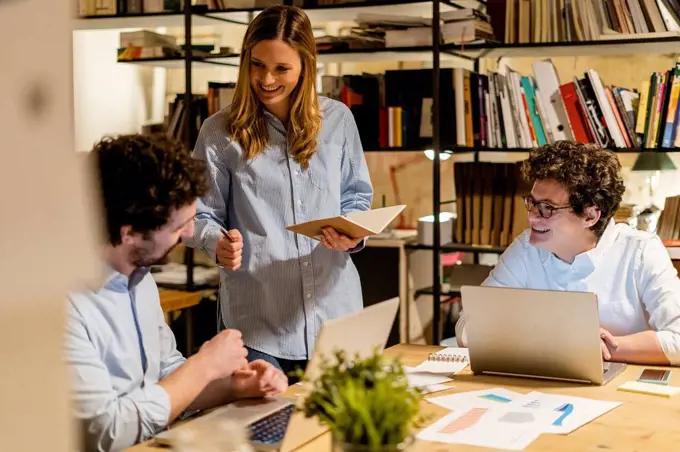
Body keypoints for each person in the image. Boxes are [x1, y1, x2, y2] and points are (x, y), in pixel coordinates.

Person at [65, 134, 288, 452]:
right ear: (129, 233)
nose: (188, 234)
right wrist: (205, 366)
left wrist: (233, 387)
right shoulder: (64, 305)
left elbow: (165, 373)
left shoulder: (139, 277)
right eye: (178, 226)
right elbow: (107, 431)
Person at [185, 5, 373, 377]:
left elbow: (356, 197)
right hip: (258, 328)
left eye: (281, 68)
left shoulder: (338, 121)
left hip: (335, 319)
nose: (267, 78)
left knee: (340, 432)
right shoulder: (218, 131)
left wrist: (351, 234)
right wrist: (215, 242)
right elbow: (196, 213)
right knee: (267, 435)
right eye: (257, 65)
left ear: (305, 66)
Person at [455, 141, 680, 366]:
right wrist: (554, 342)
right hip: (543, 386)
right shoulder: (525, 248)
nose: (532, 217)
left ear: (590, 215)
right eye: (532, 203)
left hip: (624, 388)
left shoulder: (640, 251)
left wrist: (602, 347)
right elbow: (468, 326)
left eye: (547, 208)